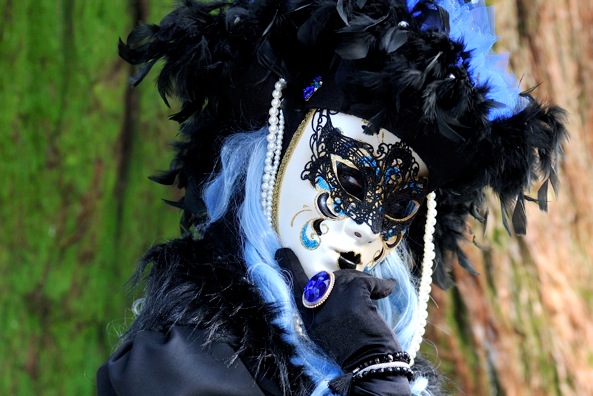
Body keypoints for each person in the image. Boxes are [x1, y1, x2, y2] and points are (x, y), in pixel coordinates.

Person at [97, 0, 567, 394]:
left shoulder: (366, 351)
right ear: (276, 151)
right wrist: (375, 371)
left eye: (398, 207)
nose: (366, 228)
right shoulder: (176, 367)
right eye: (351, 180)